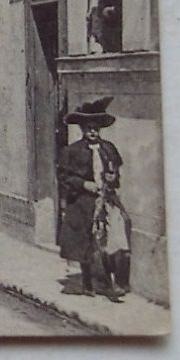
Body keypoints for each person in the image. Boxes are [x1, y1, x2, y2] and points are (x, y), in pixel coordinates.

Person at [57, 96, 131, 302]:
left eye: (96, 128)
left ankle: (115, 282)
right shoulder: (71, 151)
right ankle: (91, 283)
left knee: (114, 239)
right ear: (82, 130)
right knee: (88, 243)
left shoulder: (108, 148)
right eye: (88, 128)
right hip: (83, 202)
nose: (93, 132)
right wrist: (84, 184)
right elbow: (63, 177)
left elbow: (116, 173)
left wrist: (112, 177)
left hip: (107, 200)